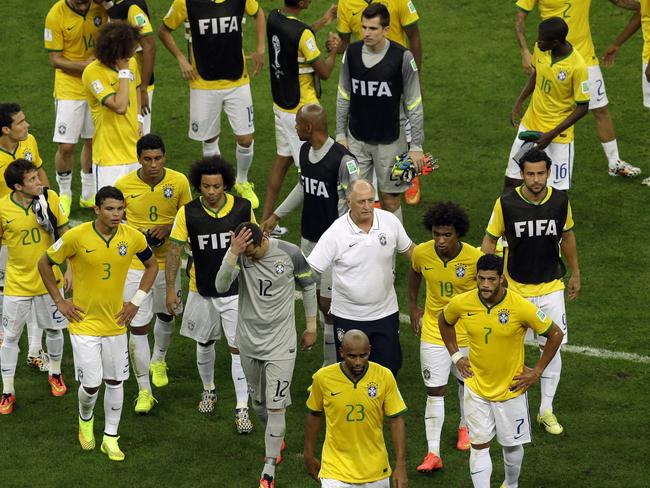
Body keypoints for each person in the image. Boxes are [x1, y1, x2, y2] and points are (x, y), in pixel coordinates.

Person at [38, 186, 158, 462]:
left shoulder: (133, 236)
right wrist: (60, 302)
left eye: (120, 209)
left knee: (116, 381)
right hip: (84, 323)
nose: (116, 214)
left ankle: (111, 438)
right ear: (97, 209)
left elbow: (151, 266)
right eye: (110, 209)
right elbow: (44, 263)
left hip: (116, 322)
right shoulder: (76, 237)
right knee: (91, 384)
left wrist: (136, 301)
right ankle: (85, 419)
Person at [439, 254, 563, 488]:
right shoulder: (462, 302)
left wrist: (536, 371)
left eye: (491, 280)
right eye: (481, 279)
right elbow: (444, 320)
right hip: (476, 386)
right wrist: (456, 355)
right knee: (478, 446)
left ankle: (511, 484)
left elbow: (555, 333)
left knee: (512, 445)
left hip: (511, 387)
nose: (485, 285)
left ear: (502, 280)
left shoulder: (520, 306)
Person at [482, 148, 580, 436]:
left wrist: (575, 272)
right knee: (508, 345)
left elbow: (568, 236)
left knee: (553, 345)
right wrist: (487, 280)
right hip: (516, 289)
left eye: (540, 173)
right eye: (530, 174)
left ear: (548, 172)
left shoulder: (560, 201)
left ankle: (545, 409)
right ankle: (507, 399)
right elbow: (489, 240)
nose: (536, 179)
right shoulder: (506, 203)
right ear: (521, 174)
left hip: (551, 286)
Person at [215, 222, 317, 488]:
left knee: (275, 405)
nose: (250, 257)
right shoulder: (241, 255)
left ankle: (268, 470)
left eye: (251, 251)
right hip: (248, 342)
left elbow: (308, 286)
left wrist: (311, 326)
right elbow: (221, 285)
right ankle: (276, 437)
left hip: (281, 344)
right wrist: (233, 253)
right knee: (258, 403)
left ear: (262, 241)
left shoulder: (290, 253)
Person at [262, 103, 359, 366]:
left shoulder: (344, 161)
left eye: (297, 125)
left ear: (308, 127)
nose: (295, 128)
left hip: (333, 245)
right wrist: (276, 215)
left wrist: (346, 240)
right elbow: (303, 186)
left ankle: (331, 366)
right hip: (308, 238)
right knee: (312, 295)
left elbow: (356, 203)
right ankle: (330, 359)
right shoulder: (305, 151)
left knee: (328, 305)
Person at [165, 157, 253, 432]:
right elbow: (174, 251)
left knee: (238, 348)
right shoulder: (187, 213)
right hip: (200, 289)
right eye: (206, 186)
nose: (211, 192)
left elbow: (256, 246)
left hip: (235, 292)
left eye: (216, 186)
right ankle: (209, 390)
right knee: (203, 343)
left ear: (225, 184)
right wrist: (170, 289)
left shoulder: (242, 208)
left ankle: (242, 409)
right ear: (199, 186)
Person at [158, 0, 266, 209]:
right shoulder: (185, 3)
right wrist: (181, 58)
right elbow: (164, 31)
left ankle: (242, 181)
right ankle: (216, 185)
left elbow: (259, 14)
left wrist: (260, 48)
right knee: (209, 138)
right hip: (203, 83)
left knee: (245, 138)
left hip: (237, 80)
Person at [515, 0, 641, 179]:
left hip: (584, 59)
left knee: (600, 109)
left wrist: (642, 6)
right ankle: (530, 161)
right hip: (551, 56)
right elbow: (520, 18)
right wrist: (525, 51)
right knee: (549, 106)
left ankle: (614, 162)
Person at [115, 134, 192, 413]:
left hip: (169, 261)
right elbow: (114, 221)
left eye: (158, 158)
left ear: (165, 157)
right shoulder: (123, 185)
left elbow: (189, 218)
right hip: (136, 265)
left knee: (167, 313)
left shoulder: (179, 182)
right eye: (147, 159)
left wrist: (168, 228)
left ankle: (159, 358)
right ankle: (144, 390)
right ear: (138, 159)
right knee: (137, 325)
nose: (153, 164)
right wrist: (139, 236)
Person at [307, 179, 414, 377]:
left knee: (389, 371)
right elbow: (311, 269)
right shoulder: (336, 232)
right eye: (361, 202)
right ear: (349, 202)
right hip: (349, 316)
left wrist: (434, 266)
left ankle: (382, 408)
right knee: (352, 374)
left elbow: (410, 252)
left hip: (385, 313)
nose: (367, 206)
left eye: (370, 201)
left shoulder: (389, 222)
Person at [408, 202, 482, 472]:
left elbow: (489, 288)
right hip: (433, 331)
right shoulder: (421, 253)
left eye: (446, 234)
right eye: (436, 234)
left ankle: (465, 427)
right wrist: (414, 306)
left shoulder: (474, 258)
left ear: (458, 233)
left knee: (467, 383)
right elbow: (415, 273)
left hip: (465, 334)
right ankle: (433, 453)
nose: (440, 240)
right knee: (434, 390)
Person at [336, 3, 424, 221]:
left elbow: (414, 104)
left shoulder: (403, 57)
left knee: (391, 199)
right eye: (364, 27)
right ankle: (356, 251)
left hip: (393, 141)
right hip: (357, 138)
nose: (366, 33)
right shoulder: (352, 53)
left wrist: (417, 146)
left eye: (373, 29)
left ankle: (393, 252)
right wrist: (340, 135)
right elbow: (343, 95)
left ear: (386, 30)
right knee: (354, 196)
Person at [260, 0, 340, 224]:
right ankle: (322, 223)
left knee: (282, 161)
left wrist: (324, 21)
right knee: (313, 172)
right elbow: (323, 72)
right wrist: (333, 52)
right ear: (302, 2)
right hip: (304, 115)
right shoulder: (302, 35)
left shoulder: (274, 17)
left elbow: (297, 35)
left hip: (281, 107)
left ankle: (263, 221)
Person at [0, 160, 70, 415]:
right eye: (32, 180)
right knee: (9, 338)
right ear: (18, 186)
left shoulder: (49, 199)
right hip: (17, 284)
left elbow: (64, 232)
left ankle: (55, 373)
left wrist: (69, 268)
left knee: (54, 330)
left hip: (49, 281)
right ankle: (8, 390)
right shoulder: (2, 208)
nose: (39, 181)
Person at [304, 329, 408, 488]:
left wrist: (401, 465)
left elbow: (396, 419)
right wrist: (308, 453)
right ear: (341, 352)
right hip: (335, 470)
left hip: (376, 470)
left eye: (363, 355)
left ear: (370, 351)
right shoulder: (323, 378)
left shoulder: (384, 376)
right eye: (352, 356)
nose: (358, 362)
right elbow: (314, 414)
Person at [507, 17, 589, 192]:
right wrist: (519, 102)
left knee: (557, 192)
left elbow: (583, 107)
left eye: (542, 39)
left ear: (555, 42)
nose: (537, 41)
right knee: (512, 180)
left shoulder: (578, 67)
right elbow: (536, 75)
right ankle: (505, 220)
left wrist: (551, 134)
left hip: (558, 138)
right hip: (529, 128)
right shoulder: (541, 49)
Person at [0, 103, 51, 370]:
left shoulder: (29, 141)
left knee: (37, 285)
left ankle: (34, 349)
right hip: (7, 230)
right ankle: (5, 333)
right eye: (20, 122)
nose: (27, 125)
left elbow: (39, 170)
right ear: (5, 129)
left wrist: (49, 200)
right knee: (10, 288)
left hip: (34, 224)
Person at [45, 0, 106, 214]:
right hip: (68, 88)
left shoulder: (101, 7)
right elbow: (55, 59)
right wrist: (86, 67)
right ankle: (64, 193)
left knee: (92, 140)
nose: (82, 5)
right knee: (66, 146)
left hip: (95, 86)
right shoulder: (56, 15)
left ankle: (88, 193)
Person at [82, 21, 143, 191]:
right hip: (109, 159)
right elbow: (120, 106)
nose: (137, 48)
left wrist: (139, 118)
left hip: (135, 153)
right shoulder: (93, 73)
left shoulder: (131, 63)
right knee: (111, 212)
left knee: (134, 211)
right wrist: (124, 72)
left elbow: (136, 87)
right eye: (132, 46)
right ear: (119, 51)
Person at [97, 0, 156, 135]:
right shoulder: (113, 5)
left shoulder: (132, 7)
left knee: (139, 136)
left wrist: (143, 89)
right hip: (119, 80)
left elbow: (149, 47)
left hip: (137, 84)